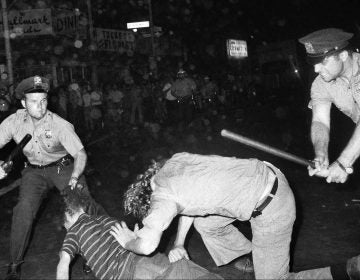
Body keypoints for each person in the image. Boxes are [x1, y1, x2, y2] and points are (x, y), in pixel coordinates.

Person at [110, 152, 360, 280]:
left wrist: (128, 241)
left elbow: (147, 244)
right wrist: (178, 243)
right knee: (206, 225)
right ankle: (254, 256)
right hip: (267, 175)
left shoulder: (162, 196)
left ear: (149, 198)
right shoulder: (175, 163)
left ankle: (342, 271)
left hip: (272, 208)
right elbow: (187, 205)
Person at [0, 76, 105, 280]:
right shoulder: (14, 122)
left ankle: (92, 255)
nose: (40, 106)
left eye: (44, 100)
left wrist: (75, 176)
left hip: (63, 168)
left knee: (83, 208)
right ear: (23, 103)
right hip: (33, 172)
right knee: (23, 210)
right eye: (34, 101)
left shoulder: (60, 124)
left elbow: (80, 154)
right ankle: (14, 265)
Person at [57, 186, 223, 280]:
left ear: (68, 218)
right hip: (149, 258)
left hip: (126, 274)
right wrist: (136, 237)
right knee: (187, 273)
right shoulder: (106, 220)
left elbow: (64, 263)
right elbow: (132, 241)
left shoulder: (73, 232)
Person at [298, 28, 359, 183]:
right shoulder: (321, 84)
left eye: (323, 61)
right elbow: (320, 121)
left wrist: (344, 162)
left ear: (343, 55)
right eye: (314, 62)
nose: (317, 69)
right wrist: (321, 154)